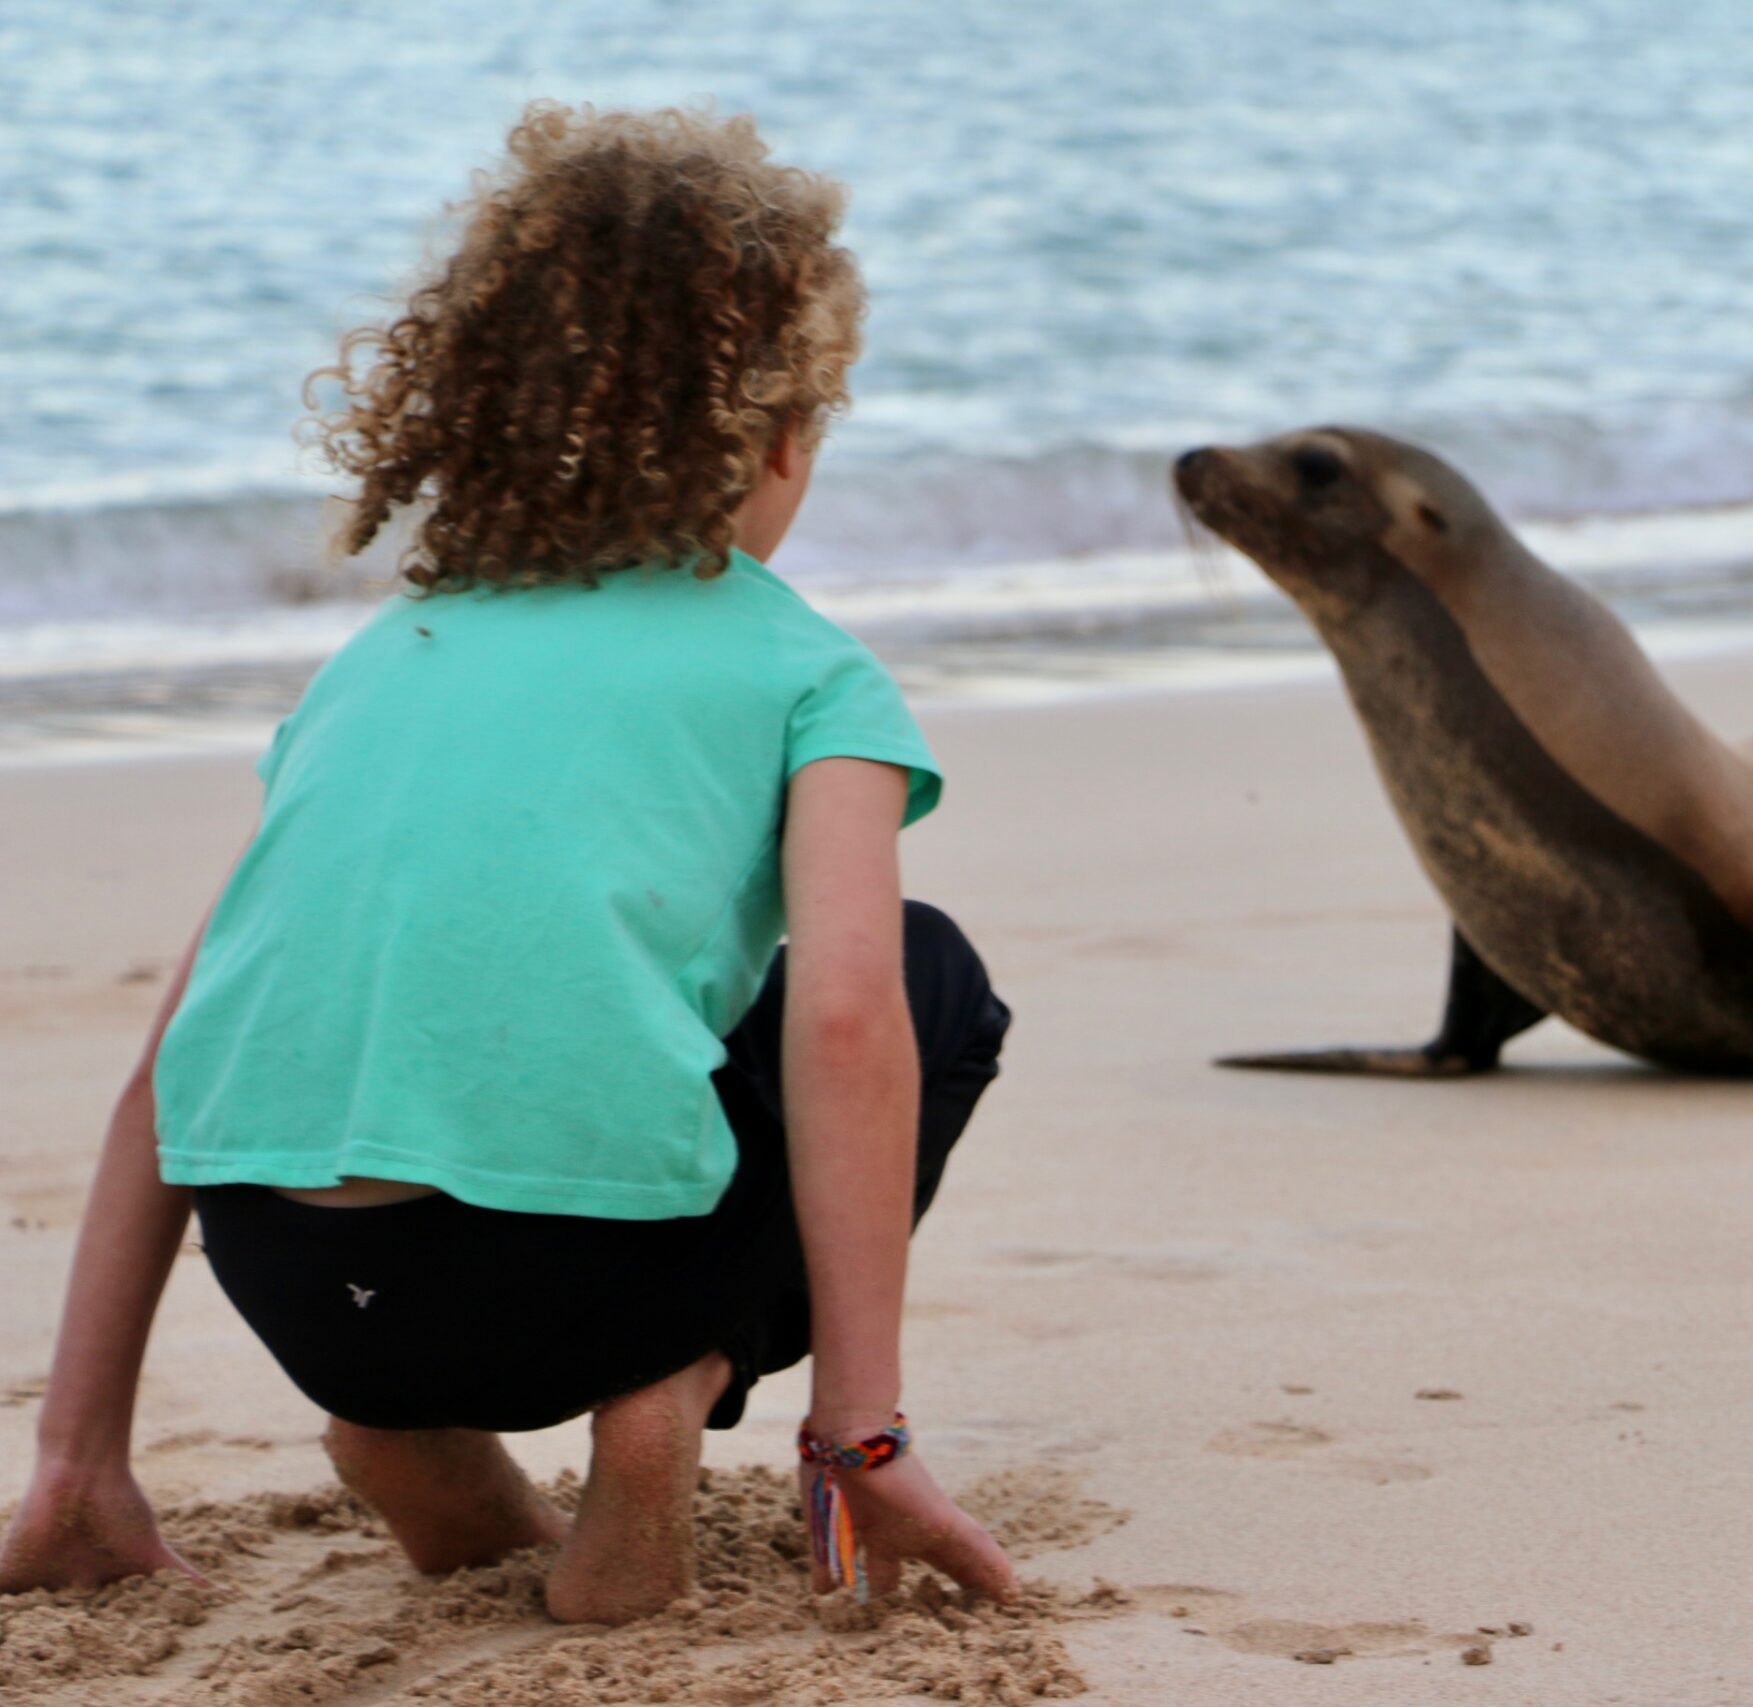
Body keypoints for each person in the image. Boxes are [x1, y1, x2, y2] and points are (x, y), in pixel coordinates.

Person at [0, 103, 1018, 1624]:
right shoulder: (812, 673)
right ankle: (672, 1386)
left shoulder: (376, 660)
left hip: (299, 1293)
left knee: (401, 1037)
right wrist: (857, 1433)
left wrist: (77, 1456)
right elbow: (851, 1024)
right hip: (584, 1291)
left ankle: (410, 1442)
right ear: (789, 432)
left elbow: (175, 1055)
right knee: (926, 970)